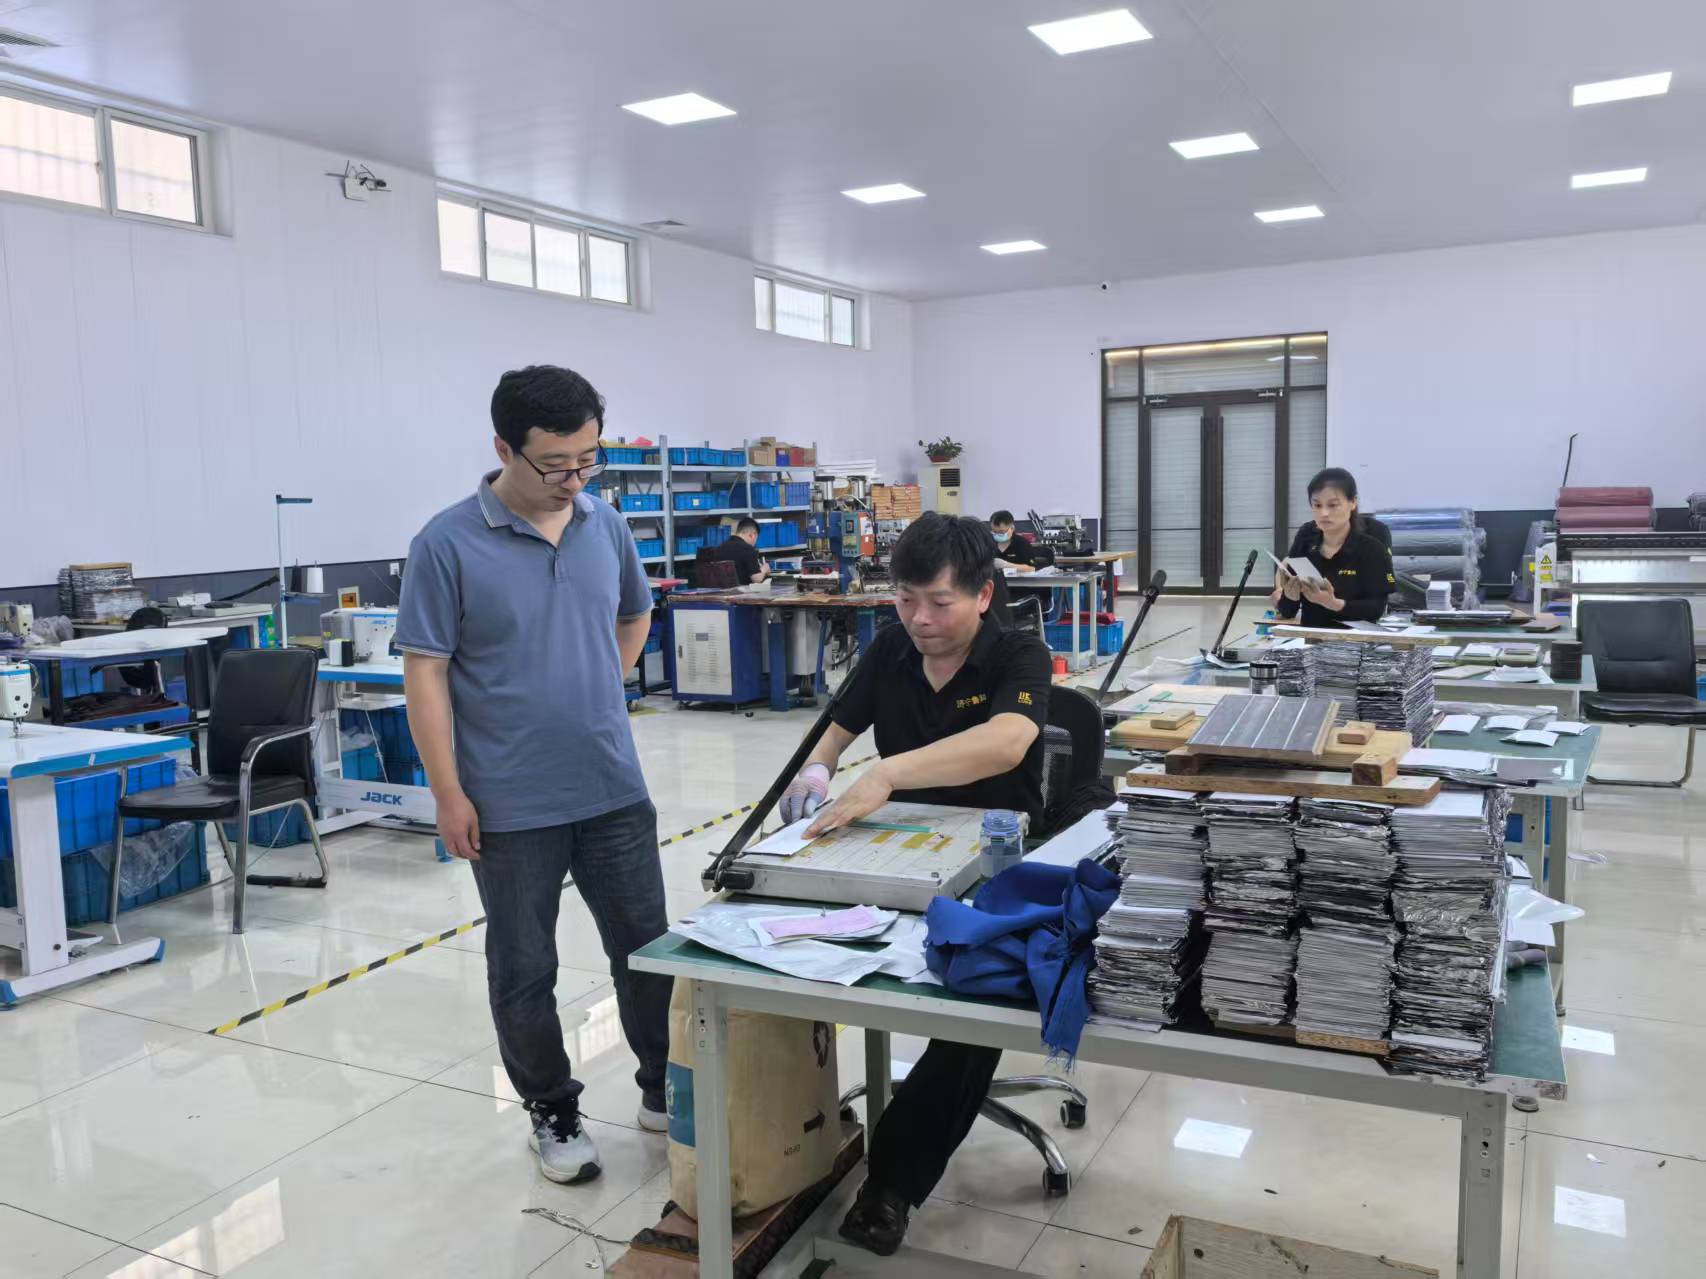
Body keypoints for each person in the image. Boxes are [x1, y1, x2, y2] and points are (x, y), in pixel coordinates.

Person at [396, 364, 671, 1188]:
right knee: (525, 966)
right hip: (509, 801)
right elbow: (425, 672)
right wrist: (447, 790)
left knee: (648, 951)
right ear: (502, 449)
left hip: (613, 786)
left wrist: (600, 684)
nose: (574, 479)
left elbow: (636, 611)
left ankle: (664, 1086)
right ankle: (552, 1109)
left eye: (589, 459)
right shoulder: (446, 543)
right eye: (555, 464)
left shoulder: (604, 523)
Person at [775, 513, 1051, 1256]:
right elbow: (837, 727)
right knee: (783, 947)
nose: (920, 619)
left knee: (972, 1009)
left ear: (983, 595)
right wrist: (818, 769)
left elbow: (1008, 742)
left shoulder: (1018, 653)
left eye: (939, 602)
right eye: (904, 600)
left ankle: (890, 1184)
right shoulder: (892, 648)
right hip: (896, 848)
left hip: (994, 859)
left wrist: (888, 772)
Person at [1272, 467, 1396, 628]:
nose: (1324, 513)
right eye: (1317, 505)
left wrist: (1334, 604)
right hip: (1311, 638)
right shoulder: (1305, 539)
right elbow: (1288, 612)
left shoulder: (1372, 548)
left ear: (1353, 502)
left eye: (1333, 505)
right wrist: (1289, 598)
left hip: (1355, 639)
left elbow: (1376, 609)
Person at [711, 517, 768, 584]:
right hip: (743, 589)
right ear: (752, 535)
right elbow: (756, 579)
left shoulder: (720, 547)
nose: (755, 542)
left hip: (721, 589)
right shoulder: (749, 549)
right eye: (756, 538)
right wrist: (764, 569)